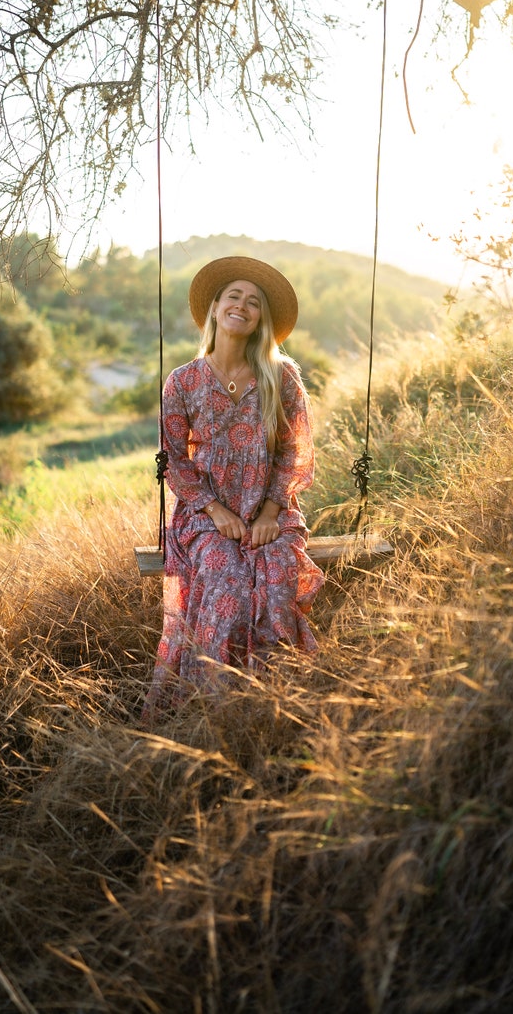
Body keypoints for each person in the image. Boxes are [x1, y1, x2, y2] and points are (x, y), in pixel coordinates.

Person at [141, 255, 324, 720]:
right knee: (228, 586)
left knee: (277, 578)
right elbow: (174, 460)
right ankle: (215, 705)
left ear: (262, 319)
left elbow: (292, 454)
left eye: (254, 302)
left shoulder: (282, 378)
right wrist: (212, 509)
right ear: (216, 308)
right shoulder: (182, 381)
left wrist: (269, 510)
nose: (242, 305)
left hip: (271, 509)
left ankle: (280, 702)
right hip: (205, 516)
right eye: (233, 296)